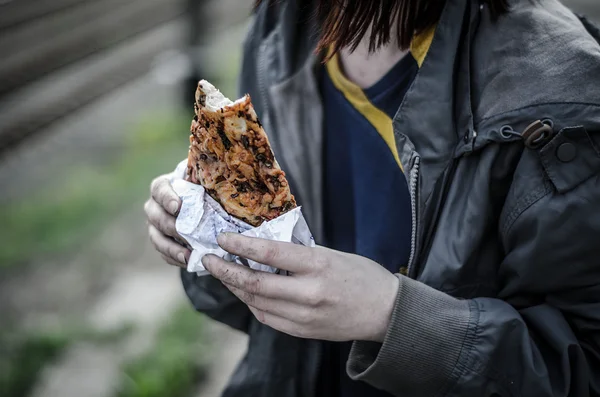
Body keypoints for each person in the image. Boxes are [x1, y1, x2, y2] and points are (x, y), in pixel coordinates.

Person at [144, 0, 600, 395]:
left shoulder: (564, 100)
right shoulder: (279, 35)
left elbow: (585, 368)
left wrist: (391, 318)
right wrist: (201, 234)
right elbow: (259, 318)